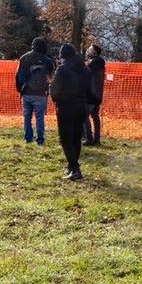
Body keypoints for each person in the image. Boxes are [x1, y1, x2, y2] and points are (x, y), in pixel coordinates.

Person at [49, 43, 91, 181]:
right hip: (82, 106)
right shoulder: (85, 69)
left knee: (65, 139)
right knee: (76, 138)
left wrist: (55, 98)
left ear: (62, 56)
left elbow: (54, 91)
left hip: (65, 107)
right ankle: (71, 166)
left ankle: (75, 168)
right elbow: (89, 89)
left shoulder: (62, 69)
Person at [15, 37, 56, 146]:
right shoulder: (47, 61)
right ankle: (40, 140)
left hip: (26, 92)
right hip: (41, 94)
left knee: (27, 117)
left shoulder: (24, 58)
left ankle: (28, 139)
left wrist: (20, 89)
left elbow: (19, 76)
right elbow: (51, 78)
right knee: (39, 118)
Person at [84, 44, 106, 145]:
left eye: (90, 49)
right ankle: (97, 139)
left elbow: (85, 74)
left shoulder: (93, 64)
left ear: (95, 52)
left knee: (84, 116)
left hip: (91, 95)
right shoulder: (99, 63)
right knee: (95, 116)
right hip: (98, 95)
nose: (88, 50)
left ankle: (89, 138)